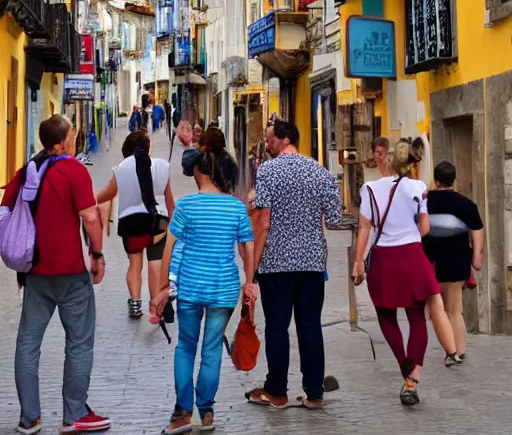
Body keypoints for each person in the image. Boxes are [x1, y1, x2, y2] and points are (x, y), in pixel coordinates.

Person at [1, 115, 109, 435]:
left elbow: (6, 212)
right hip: (71, 273)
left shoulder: (27, 171)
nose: (76, 140)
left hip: (35, 272)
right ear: (62, 143)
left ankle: (29, 418)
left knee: (27, 343)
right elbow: (90, 216)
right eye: (73, 135)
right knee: (78, 343)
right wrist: (97, 253)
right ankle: (74, 414)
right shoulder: (72, 169)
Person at [152, 127, 255, 434]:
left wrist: (163, 287)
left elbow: (169, 247)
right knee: (211, 350)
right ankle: (206, 411)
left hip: (190, 288)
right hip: (223, 288)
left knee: (185, 346)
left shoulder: (186, 205)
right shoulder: (236, 207)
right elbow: (247, 247)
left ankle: (182, 412)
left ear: (200, 172)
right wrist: (249, 282)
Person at [352, 141, 460, 408]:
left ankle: (404, 364)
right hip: (412, 257)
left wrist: (357, 262)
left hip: (384, 260)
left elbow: (364, 228)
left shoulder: (369, 190)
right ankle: (412, 380)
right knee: (416, 318)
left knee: (386, 316)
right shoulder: (418, 188)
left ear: (384, 160)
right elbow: (424, 229)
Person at [247, 120, 341, 410]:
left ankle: (276, 390)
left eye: (270, 140)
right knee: (310, 325)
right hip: (312, 261)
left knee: (277, 326)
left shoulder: (267, 171)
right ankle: (314, 393)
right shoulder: (319, 171)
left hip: (276, 262)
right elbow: (335, 216)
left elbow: (262, 221)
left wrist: (252, 268)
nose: (268, 145)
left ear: (285, 139)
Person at [96, 130, 174, 321]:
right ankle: (156, 307)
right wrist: (174, 224)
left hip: (131, 222)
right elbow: (169, 200)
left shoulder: (121, 168)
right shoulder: (162, 166)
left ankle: (135, 303)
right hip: (158, 221)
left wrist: (90, 200)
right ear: (148, 148)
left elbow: (109, 193)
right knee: (156, 263)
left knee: (134, 264)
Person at [422, 161, 485, 361]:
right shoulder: (467, 205)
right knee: (455, 309)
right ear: (454, 180)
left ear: (436, 179)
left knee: (436, 308)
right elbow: (478, 237)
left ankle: (450, 349)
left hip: (431, 264)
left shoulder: (424, 202)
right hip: (457, 262)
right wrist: (476, 261)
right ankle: (459, 349)